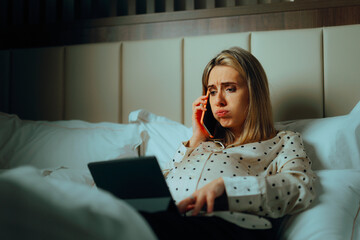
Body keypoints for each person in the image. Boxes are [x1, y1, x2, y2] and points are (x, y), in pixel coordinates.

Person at [140, 47, 316, 240]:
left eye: (230, 89)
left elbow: (300, 186)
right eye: (212, 92)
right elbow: (161, 183)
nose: (219, 101)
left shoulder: (283, 141)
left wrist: (228, 188)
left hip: (231, 227)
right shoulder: (201, 144)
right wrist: (196, 139)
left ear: (254, 94)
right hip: (171, 222)